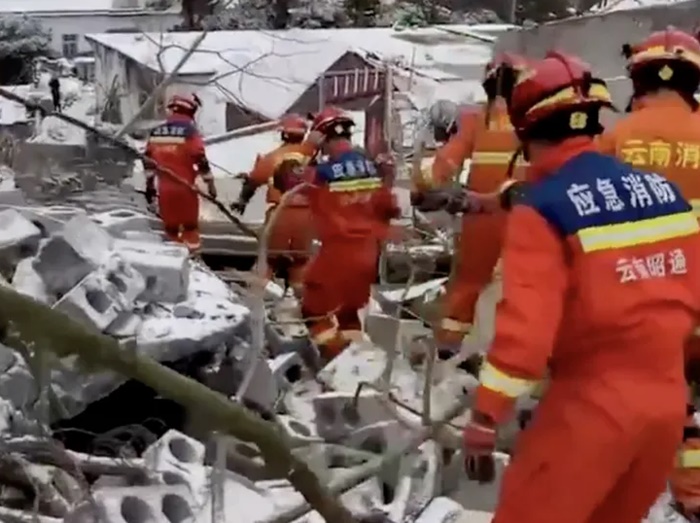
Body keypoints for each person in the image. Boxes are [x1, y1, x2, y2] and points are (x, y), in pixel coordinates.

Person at [462, 50, 700, 523]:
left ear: (526, 135)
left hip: (590, 411)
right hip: (668, 406)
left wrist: (486, 415)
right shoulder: (665, 195)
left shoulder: (543, 212)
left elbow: (526, 337)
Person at [412, 53, 530, 358]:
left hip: (481, 217)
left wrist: (423, 184)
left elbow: (440, 168)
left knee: (468, 284)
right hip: (530, 219)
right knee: (524, 290)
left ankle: (448, 355)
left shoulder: (476, 119)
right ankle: (512, 355)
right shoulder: (537, 120)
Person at [278, 106, 399, 361]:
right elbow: (390, 208)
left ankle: (336, 359)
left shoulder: (323, 173)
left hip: (337, 254)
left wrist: (307, 149)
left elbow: (289, 179)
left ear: (323, 138)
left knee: (313, 309)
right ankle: (358, 360)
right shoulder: (371, 168)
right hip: (368, 255)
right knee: (347, 313)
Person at [231, 114, 320, 293]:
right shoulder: (312, 156)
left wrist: (242, 202)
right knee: (300, 264)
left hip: (279, 215)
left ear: (283, 134)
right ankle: (300, 307)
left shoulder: (272, 158)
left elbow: (253, 182)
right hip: (307, 218)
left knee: (268, 262)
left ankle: (261, 299)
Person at [144, 94, 216, 253]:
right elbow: (200, 158)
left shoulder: (156, 131)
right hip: (185, 189)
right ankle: (193, 262)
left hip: (164, 192)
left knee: (170, 230)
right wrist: (210, 184)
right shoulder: (190, 131)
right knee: (190, 229)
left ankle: (173, 259)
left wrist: (150, 186)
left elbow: (147, 160)